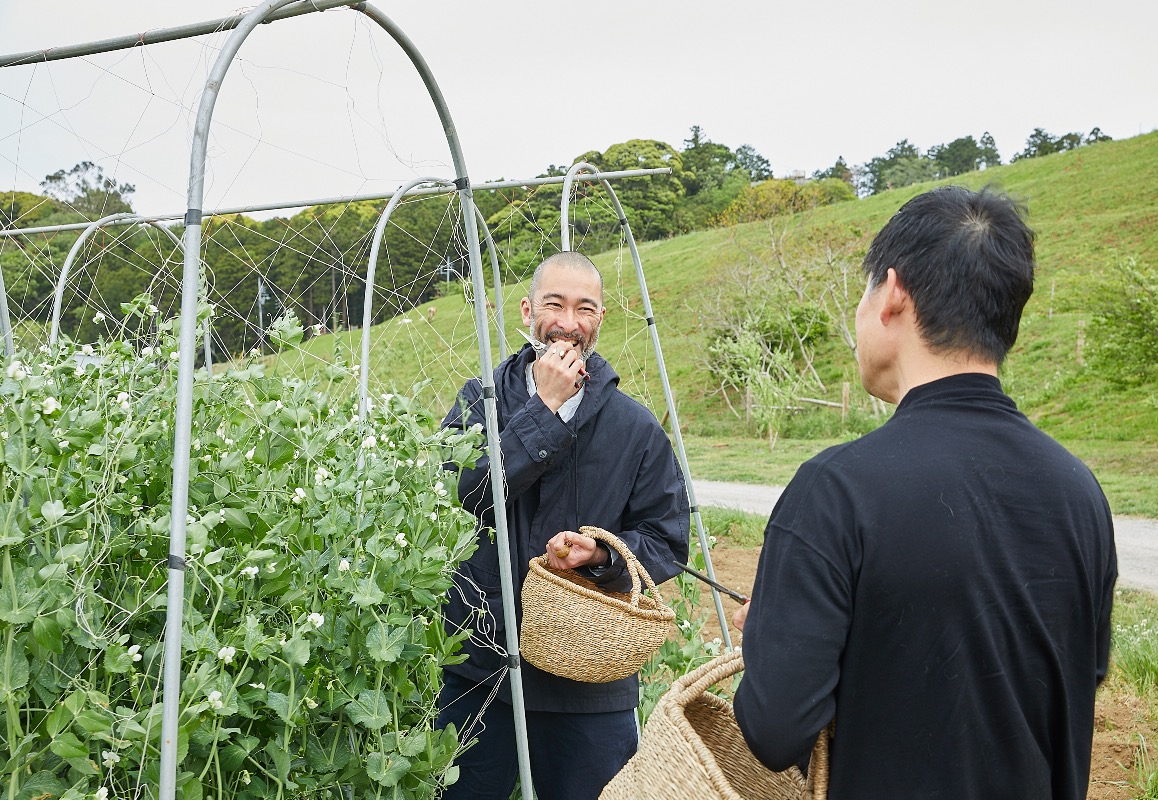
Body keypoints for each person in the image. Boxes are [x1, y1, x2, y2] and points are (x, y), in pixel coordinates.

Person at [732, 186, 1117, 799]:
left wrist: (774, 642)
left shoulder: (834, 491)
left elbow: (775, 729)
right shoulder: (1080, 491)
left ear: (892, 294)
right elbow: (1077, 671)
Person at [437, 250, 690, 800]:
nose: (568, 323)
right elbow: (463, 496)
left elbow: (668, 537)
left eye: (585, 308)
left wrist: (601, 555)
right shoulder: (477, 404)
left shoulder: (635, 427)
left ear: (600, 319)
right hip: (479, 670)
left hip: (589, 689)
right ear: (528, 310)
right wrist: (544, 409)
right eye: (554, 304)